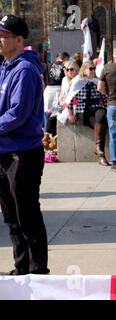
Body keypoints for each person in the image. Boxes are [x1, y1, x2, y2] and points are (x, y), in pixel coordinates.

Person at [0, 14, 50, 275]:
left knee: (27, 214)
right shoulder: (5, 67)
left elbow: (18, 113)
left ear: (19, 40)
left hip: (23, 152)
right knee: (11, 217)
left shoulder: (25, 70)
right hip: (5, 151)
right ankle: (22, 268)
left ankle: (37, 270)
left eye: (3, 36)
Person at [66, 61, 109, 166]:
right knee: (98, 125)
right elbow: (70, 99)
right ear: (84, 70)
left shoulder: (97, 81)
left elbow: (104, 98)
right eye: (90, 68)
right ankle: (100, 153)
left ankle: (100, 151)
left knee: (102, 116)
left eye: (94, 68)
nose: (93, 70)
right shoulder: (77, 82)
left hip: (97, 106)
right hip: (83, 109)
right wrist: (70, 114)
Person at [45, 60, 79, 137]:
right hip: (64, 103)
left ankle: (53, 138)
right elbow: (62, 93)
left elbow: (75, 98)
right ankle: (51, 138)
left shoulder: (78, 80)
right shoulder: (64, 79)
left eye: (72, 69)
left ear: (76, 69)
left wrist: (65, 103)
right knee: (50, 114)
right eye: (67, 69)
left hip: (73, 105)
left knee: (53, 117)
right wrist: (61, 100)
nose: (69, 71)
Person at [42, 51, 69, 131]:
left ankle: (46, 134)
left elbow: (42, 77)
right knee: (58, 113)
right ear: (65, 59)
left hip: (48, 91)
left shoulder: (47, 65)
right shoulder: (65, 66)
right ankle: (56, 134)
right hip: (60, 90)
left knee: (47, 113)